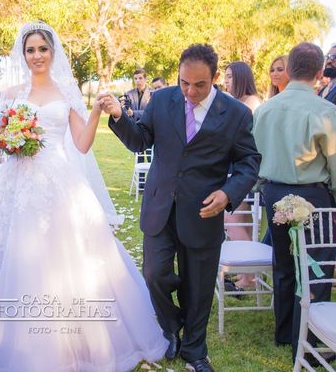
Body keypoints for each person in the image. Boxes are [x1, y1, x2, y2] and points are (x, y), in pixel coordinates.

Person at [0, 22, 167, 371]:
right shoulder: (9, 94)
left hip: (58, 182)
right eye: (30, 50)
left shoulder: (67, 93)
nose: (36, 56)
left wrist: (95, 111)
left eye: (42, 49)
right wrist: (9, 141)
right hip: (17, 184)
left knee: (68, 256)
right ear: (23, 55)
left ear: (53, 53)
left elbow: (81, 145)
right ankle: (13, 338)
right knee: (16, 256)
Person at [101, 44, 261, 372]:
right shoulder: (162, 100)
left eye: (199, 85)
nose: (190, 91)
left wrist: (228, 193)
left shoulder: (236, 114)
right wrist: (119, 116)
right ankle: (171, 326)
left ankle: (194, 352)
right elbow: (139, 140)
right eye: (184, 82)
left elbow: (249, 162)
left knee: (199, 286)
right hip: (160, 205)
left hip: (204, 211)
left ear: (216, 78)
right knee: (155, 274)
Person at [252, 42, 336, 361]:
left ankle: (285, 331)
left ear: (291, 69)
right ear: (320, 72)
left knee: (283, 263)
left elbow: (255, 155)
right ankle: (308, 340)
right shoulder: (325, 110)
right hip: (313, 194)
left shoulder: (265, 109)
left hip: (273, 191)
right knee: (315, 267)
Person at [223, 60, 262, 289]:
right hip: (232, 165)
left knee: (232, 220)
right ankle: (248, 275)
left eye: (230, 76)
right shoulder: (236, 102)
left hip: (242, 168)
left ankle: (250, 273)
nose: (226, 81)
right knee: (241, 222)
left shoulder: (251, 103)